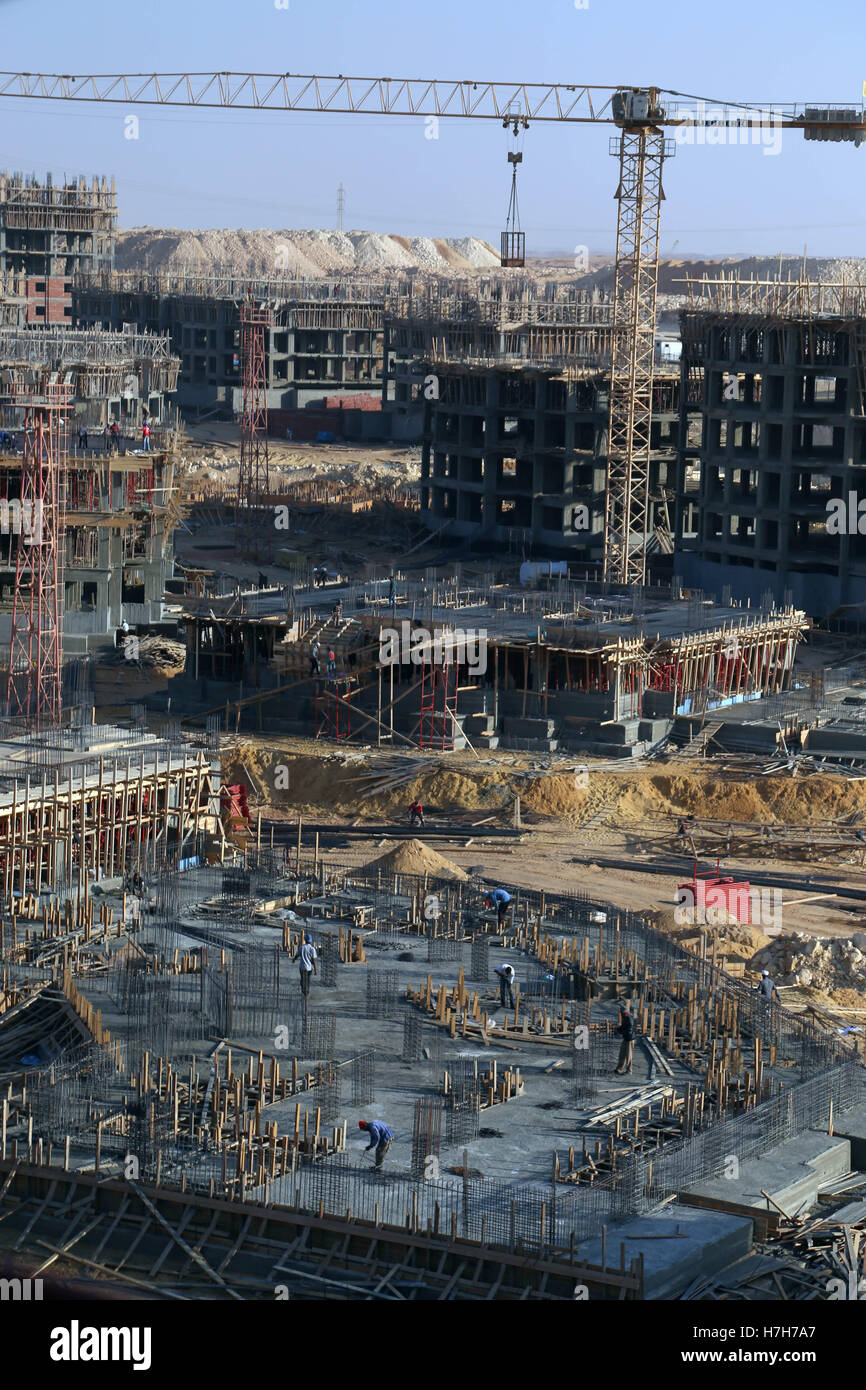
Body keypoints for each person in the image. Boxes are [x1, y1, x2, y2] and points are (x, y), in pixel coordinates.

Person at [614, 1002, 636, 1075]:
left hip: (629, 1039)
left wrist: (621, 1032)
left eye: (622, 1013)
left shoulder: (629, 1018)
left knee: (628, 1055)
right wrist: (619, 1029)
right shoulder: (625, 1017)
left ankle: (629, 1070)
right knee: (622, 1054)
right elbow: (624, 1027)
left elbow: (629, 1030)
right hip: (626, 1038)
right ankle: (619, 1068)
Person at [295, 932, 318, 997]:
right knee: (308, 980)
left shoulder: (301, 947)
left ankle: (303, 990)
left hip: (302, 967)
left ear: (305, 940)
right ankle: (306, 992)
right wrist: (316, 970)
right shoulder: (312, 949)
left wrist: (294, 960)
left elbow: (297, 955)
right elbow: (314, 960)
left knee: (303, 979)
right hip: (309, 968)